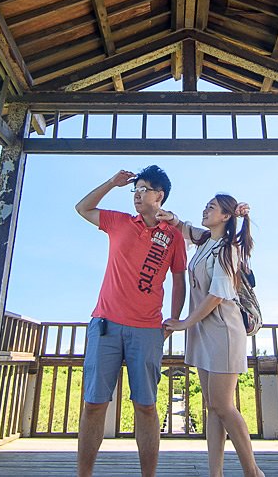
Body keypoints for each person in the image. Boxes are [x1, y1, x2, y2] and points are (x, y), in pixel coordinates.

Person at [74, 165, 187, 477]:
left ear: (159, 195)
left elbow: (179, 279)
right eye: (134, 190)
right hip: (105, 324)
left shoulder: (173, 235)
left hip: (148, 330)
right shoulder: (119, 221)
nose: (136, 195)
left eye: (143, 189)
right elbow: (83, 208)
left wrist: (174, 320)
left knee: (146, 406)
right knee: (94, 404)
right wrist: (112, 182)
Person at [159, 195, 265, 477]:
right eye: (206, 206)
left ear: (226, 216)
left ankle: (253, 472)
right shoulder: (206, 240)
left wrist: (184, 323)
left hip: (223, 331)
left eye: (211, 207)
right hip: (205, 331)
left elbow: (217, 295)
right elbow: (183, 227)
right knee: (213, 406)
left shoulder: (228, 249)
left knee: (223, 405)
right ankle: (215, 473)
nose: (205, 210)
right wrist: (168, 216)